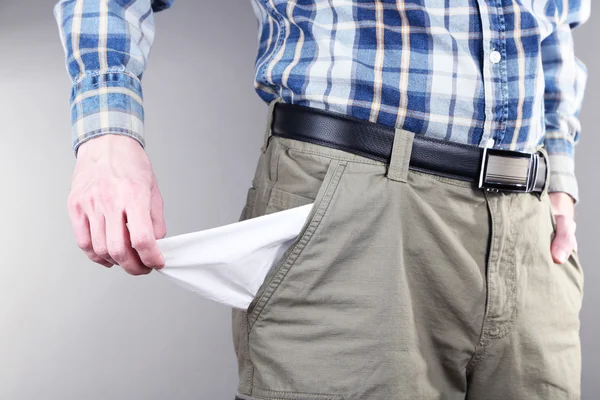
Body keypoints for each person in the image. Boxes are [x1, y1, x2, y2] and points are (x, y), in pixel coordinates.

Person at [54, 0, 588, 398]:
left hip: (530, 230)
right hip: (359, 216)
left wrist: (558, 172)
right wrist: (108, 135)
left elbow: (553, 26)